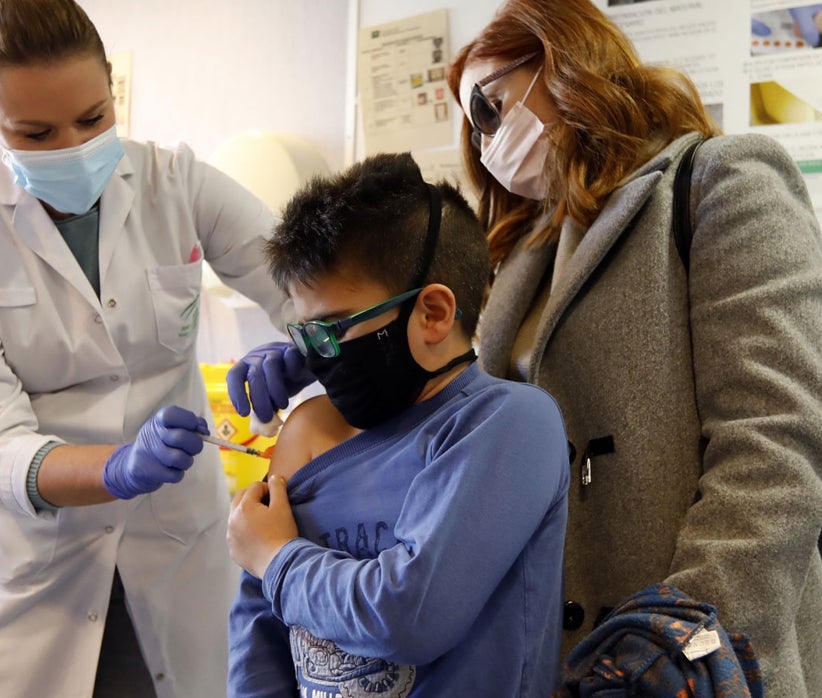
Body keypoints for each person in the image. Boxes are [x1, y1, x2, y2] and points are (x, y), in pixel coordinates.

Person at [444, 0, 822, 695]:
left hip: (691, 658)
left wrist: (677, 644)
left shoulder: (723, 180)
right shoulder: (525, 250)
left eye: (488, 106)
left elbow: (778, 442)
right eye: (470, 125)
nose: (484, 143)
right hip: (561, 657)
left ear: (559, 59)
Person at [0, 1, 291, 696]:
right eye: (36, 132)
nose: (73, 149)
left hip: (174, 548)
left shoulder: (177, 183)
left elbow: (303, 279)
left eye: (92, 119)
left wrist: (308, 345)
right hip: (24, 576)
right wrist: (115, 468)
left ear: (111, 87)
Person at [226, 152, 571, 697]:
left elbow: (410, 614)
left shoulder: (508, 423)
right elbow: (259, 628)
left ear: (433, 313)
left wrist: (276, 558)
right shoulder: (310, 429)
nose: (319, 354)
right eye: (307, 333)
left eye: (333, 327)